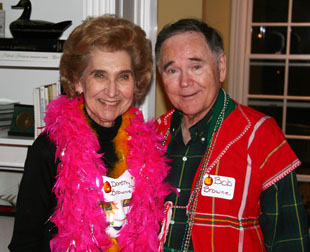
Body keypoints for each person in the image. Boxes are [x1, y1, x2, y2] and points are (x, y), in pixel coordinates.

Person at [9, 15, 172, 252]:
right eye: (100, 75)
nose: (112, 90)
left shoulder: (149, 151)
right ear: (78, 82)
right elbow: (24, 243)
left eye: (123, 76)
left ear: (136, 84)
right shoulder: (49, 150)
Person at [155, 18, 310, 252]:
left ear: (221, 67)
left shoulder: (261, 135)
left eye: (196, 66)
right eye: (172, 70)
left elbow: (289, 239)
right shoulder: (152, 136)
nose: (184, 82)